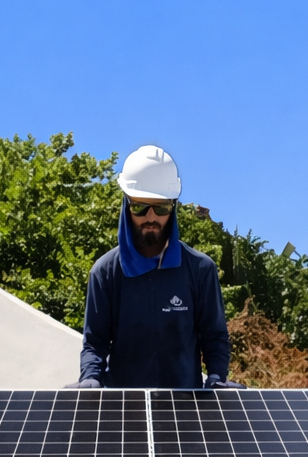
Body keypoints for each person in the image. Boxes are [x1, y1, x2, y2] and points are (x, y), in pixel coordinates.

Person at [73, 145, 239, 390]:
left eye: (161, 208)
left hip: (185, 412)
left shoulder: (200, 269)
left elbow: (214, 338)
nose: (151, 218)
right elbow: (94, 343)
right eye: (140, 207)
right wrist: (90, 378)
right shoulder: (105, 272)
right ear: (126, 205)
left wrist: (216, 377)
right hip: (121, 414)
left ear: (173, 208)